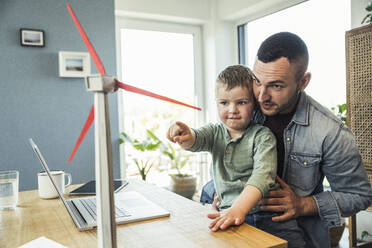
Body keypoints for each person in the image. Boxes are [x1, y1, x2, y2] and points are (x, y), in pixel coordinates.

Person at [201, 32, 372, 247]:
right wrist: (219, 189)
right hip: (239, 231)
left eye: (276, 86)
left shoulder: (331, 132)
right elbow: (221, 151)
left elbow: (359, 195)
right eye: (257, 82)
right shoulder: (245, 106)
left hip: (295, 236)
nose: (262, 95)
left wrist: (304, 204)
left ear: (303, 82)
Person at [167, 65, 306, 247]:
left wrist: (238, 208)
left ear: (254, 104)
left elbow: (263, 176)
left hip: (267, 218)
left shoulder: (262, 136)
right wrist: (185, 135)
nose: (232, 110)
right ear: (216, 102)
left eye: (241, 102)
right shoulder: (214, 132)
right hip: (228, 215)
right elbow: (196, 139)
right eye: (224, 103)